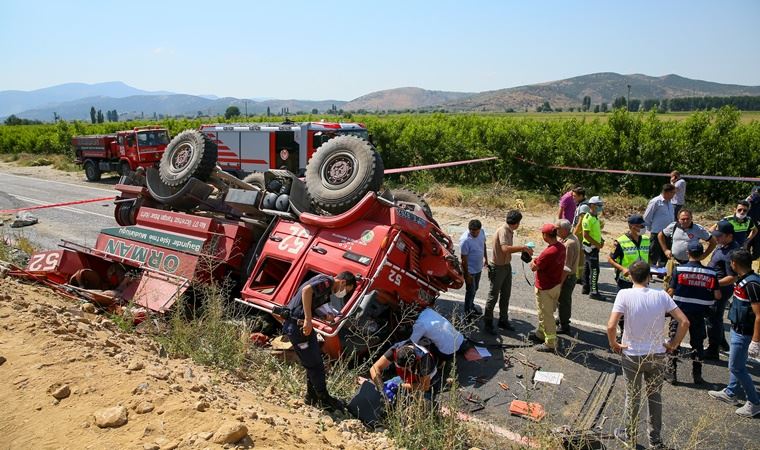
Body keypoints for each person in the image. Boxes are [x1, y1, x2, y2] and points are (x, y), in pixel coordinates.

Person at [608, 260, 689, 450]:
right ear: (649, 277)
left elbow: (611, 325)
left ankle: (630, 435)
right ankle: (655, 439)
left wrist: (614, 344)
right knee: (654, 396)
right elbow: (684, 322)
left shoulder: (624, 294)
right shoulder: (661, 295)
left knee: (633, 396)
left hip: (632, 354)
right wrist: (673, 344)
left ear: (630, 276)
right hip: (656, 354)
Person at [283, 271, 357, 410]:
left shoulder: (326, 291)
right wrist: (308, 320)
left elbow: (315, 305)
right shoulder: (327, 281)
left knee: (315, 362)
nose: (344, 293)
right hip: (297, 326)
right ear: (342, 282)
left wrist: (326, 317)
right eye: (346, 290)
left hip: (302, 328)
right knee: (315, 365)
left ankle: (312, 397)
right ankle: (323, 397)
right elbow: (306, 291)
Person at [708, 249, 760, 418]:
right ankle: (731, 392)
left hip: (745, 333)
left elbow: (759, 315)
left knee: (736, 367)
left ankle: (754, 402)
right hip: (738, 328)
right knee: (737, 363)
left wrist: (756, 341)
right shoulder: (743, 279)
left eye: (731, 262)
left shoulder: (752, 284)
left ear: (735, 264)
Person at [665, 242, 721, 385]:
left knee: (674, 342)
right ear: (702, 254)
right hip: (699, 314)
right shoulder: (711, 273)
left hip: (680, 313)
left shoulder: (679, 270)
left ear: (688, 253)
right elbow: (718, 295)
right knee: (697, 344)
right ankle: (697, 376)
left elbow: (670, 292)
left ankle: (672, 374)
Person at [484, 210, 532, 333]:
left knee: (506, 295)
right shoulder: (503, 231)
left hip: (506, 266)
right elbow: (505, 249)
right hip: (498, 267)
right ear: (516, 223)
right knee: (493, 296)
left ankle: (503, 320)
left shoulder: (509, 231)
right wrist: (522, 247)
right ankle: (488, 323)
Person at [528, 223, 566, 352]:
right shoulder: (561, 247)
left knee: (547, 315)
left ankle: (550, 343)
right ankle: (540, 333)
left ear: (545, 235)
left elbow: (534, 267)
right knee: (544, 313)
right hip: (555, 286)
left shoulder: (548, 252)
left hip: (545, 288)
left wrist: (533, 261)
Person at [705, 220, 740, 359]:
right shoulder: (723, 245)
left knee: (713, 318)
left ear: (729, 236)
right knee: (716, 317)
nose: (716, 238)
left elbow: (732, 277)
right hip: (715, 287)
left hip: (720, 289)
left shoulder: (732, 252)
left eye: (719, 236)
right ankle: (722, 343)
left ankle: (713, 350)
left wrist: (713, 284)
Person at [658, 209, 716, 286]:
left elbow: (713, 242)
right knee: (668, 284)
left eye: (688, 219)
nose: (685, 221)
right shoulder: (673, 226)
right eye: (683, 219)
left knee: (686, 286)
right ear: (678, 219)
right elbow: (660, 235)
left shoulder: (698, 229)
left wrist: (704, 256)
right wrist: (665, 250)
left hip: (690, 264)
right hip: (674, 261)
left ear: (691, 218)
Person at [370, 340, 437, 393]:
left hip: (425, 382)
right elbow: (374, 368)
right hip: (406, 379)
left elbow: (424, 387)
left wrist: (400, 387)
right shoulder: (396, 349)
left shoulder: (424, 362)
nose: (401, 369)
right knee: (377, 390)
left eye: (404, 368)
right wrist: (381, 388)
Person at [608, 214, 650, 291]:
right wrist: (622, 269)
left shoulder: (647, 240)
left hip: (643, 280)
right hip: (626, 280)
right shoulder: (620, 242)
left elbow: (648, 257)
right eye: (641, 226)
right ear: (632, 227)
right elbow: (610, 259)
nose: (644, 228)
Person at [556, 219, 580, 334]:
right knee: (562, 300)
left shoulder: (569, 244)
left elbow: (566, 267)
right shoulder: (568, 238)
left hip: (567, 277)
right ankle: (561, 319)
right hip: (568, 276)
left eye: (558, 228)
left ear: (565, 230)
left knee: (563, 301)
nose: (556, 230)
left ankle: (564, 325)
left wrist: (560, 283)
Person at [643, 184, 676, 268]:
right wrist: (651, 228)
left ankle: (661, 273)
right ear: (666, 192)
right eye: (672, 193)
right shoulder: (656, 201)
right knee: (653, 254)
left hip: (668, 233)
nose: (674, 195)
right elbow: (647, 217)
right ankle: (649, 273)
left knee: (665, 255)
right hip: (657, 232)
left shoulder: (670, 203)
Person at [460, 219, 488, 317]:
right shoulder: (465, 240)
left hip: (478, 268)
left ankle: (471, 307)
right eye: (472, 231)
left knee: (475, 289)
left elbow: (483, 244)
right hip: (470, 271)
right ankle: (467, 314)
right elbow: (463, 259)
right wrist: (466, 275)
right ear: (469, 229)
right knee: (470, 291)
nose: (475, 233)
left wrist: (486, 259)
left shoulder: (482, 232)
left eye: (476, 231)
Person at [582, 196, 606, 300]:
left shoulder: (595, 217)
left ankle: (586, 287)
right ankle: (594, 291)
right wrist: (597, 244)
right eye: (599, 205)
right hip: (591, 247)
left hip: (593, 246)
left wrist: (600, 239)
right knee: (595, 270)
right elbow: (586, 235)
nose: (601, 207)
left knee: (587, 267)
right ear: (592, 205)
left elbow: (595, 232)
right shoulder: (588, 218)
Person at [573, 203, 590, 282]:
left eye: (575, 196)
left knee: (579, 255)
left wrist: (573, 234)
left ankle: (579, 276)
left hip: (579, 234)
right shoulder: (580, 205)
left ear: (581, 196)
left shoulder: (583, 207)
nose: (573, 198)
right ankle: (578, 275)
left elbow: (580, 223)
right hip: (578, 233)